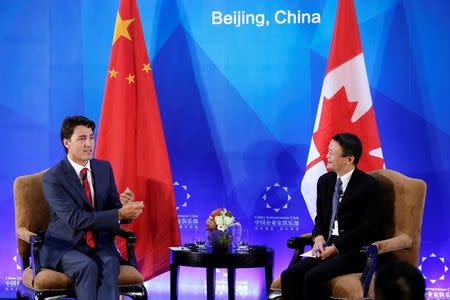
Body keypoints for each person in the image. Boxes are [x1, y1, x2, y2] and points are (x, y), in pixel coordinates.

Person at [40, 115, 144, 300]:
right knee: (87, 266)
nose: (89, 143)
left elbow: (113, 209)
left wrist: (124, 208)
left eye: (91, 137)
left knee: (110, 263)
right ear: (67, 142)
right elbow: (75, 219)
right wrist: (118, 213)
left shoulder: (104, 168)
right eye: (82, 138)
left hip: (100, 244)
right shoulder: (53, 178)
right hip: (65, 246)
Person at [281, 132, 383, 299]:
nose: (326, 156)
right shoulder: (325, 181)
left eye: (331, 153)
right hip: (326, 248)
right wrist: (319, 237)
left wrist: (336, 248)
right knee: (289, 275)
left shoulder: (369, 186)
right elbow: (320, 218)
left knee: (312, 277)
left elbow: (368, 228)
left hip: (354, 252)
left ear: (349, 159)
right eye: (327, 151)